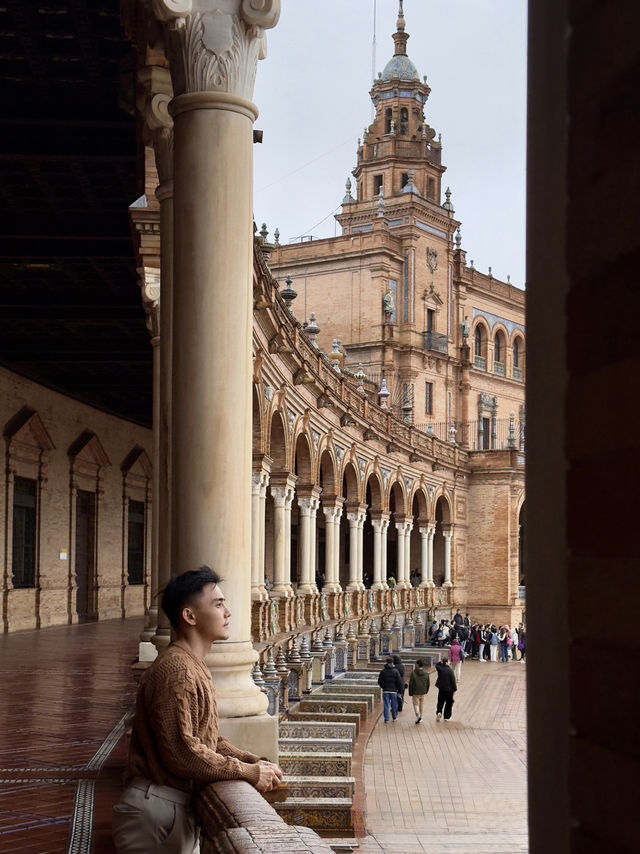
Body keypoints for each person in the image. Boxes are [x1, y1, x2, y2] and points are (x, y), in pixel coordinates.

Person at [112, 567, 284, 854]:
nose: (228, 612)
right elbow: (184, 753)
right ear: (190, 616)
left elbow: (209, 739)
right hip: (157, 813)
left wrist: (254, 761)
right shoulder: (177, 670)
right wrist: (248, 772)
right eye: (218, 604)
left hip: (169, 808)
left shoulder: (192, 664)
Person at [378, 657, 405, 722]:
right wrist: (399, 690)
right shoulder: (395, 671)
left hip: (386, 690)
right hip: (394, 691)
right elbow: (399, 682)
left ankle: (387, 719)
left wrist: (383, 686)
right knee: (394, 704)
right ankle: (395, 717)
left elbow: (379, 681)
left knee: (386, 705)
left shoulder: (383, 671)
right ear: (392, 662)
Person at [434, 656, 457, 722]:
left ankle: (439, 712)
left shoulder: (440, 669)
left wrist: (441, 662)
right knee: (449, 703)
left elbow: (437, 665)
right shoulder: (450, 671)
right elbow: (453, 681)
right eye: (448, 661)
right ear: (446, 662)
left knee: (440, 701)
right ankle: (446, 717)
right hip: (449, 690)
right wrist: (454, 689)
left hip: (441, 689)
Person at [408, 658, 430, 724]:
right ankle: (421, 716)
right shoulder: (426, 673)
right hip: (423, 691)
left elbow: (411, 683)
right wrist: (426, 690)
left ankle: (418, 715)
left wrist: (410, 692)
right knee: (421, 704)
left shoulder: (413, 673)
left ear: (417, 665)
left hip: (415, 691)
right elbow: (428, 683)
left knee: (415, 704)